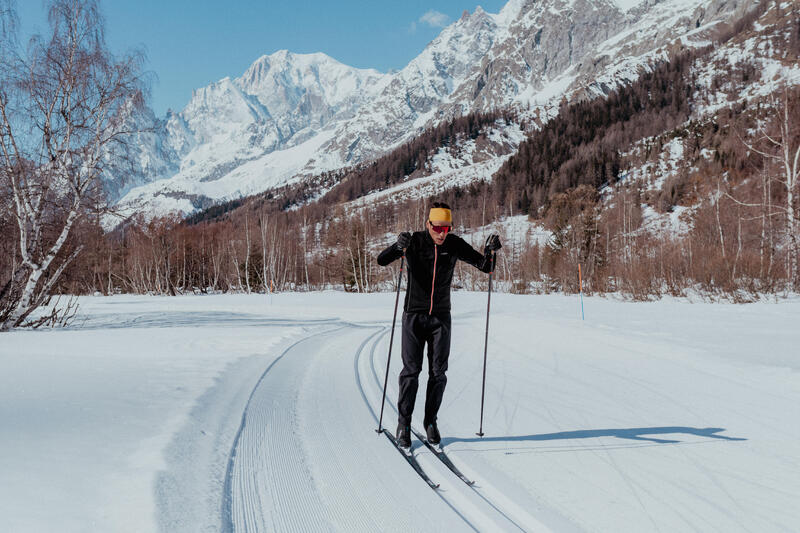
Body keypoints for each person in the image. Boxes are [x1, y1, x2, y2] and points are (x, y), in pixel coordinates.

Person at [377, 202, 501, 448]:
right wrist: (397, 246)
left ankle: (430, 421)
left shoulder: (454, 244)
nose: (442, 233)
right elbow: (382, 260)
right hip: (414, 315)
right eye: (437, 228)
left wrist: (490, 251)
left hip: (441, 318)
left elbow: (486, 267)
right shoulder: (414, 241)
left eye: (446, 228)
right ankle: (404, 423)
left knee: (438, 373)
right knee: (411, 372)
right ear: (429, 224)